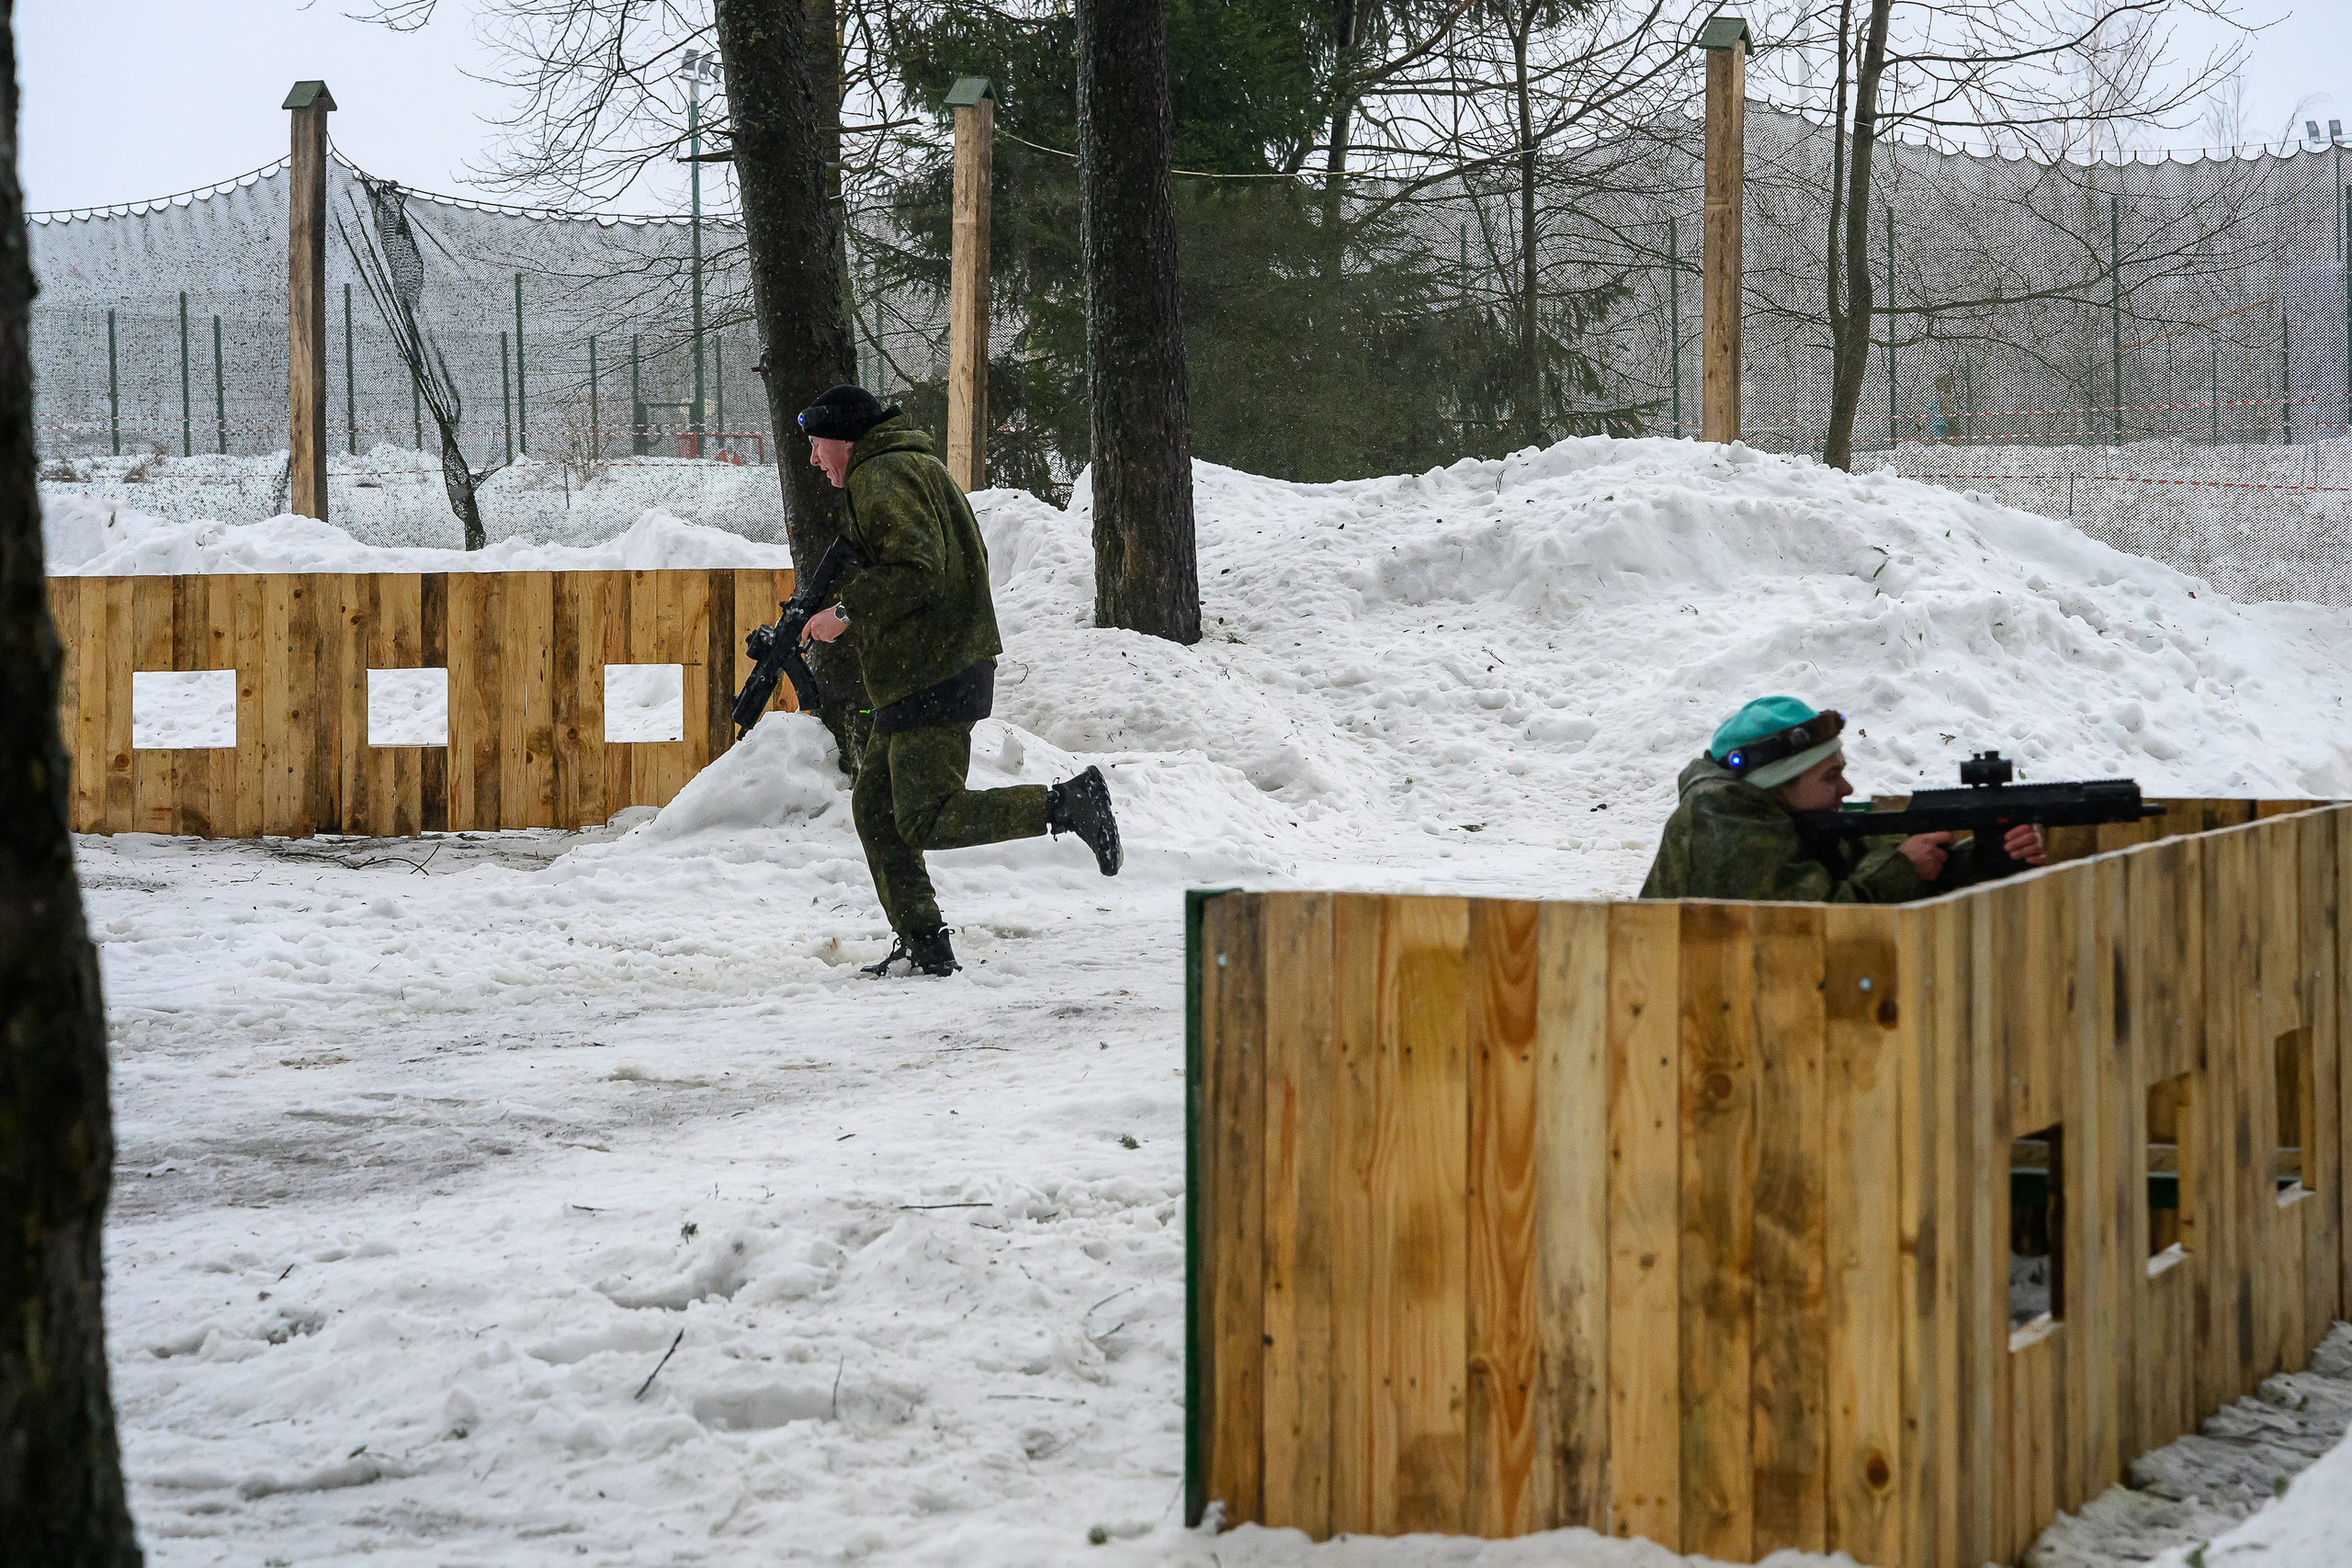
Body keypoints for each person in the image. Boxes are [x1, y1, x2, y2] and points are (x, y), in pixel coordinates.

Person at [795, 384, 1122, 976]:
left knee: (923, 815)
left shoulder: (882, 474)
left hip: (933, 670)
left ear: (844, 439)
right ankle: (925, 943)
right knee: (875, 809)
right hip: (927, 668)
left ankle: (1068, 804)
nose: (814, 460)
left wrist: (844, 614)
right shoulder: (906, 465)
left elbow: (917, 569)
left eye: (819, 445)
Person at [1640, 695, 2047, 902]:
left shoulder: (1783, 816)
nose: (1847, 790)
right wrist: (1902, 868)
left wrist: (1987, 853)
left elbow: (1858, 867)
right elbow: (1823, 923)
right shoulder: (1723, 825)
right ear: (1778, 786)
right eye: (1831, 776)